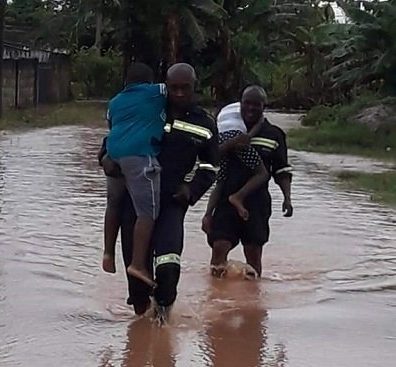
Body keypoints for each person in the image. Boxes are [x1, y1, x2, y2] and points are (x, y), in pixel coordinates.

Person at [99, 63, 219, 321]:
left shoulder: (205, 123)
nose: (178, 93)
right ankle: (140, 331)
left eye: (184, 88)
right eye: (173, 88)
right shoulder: (148, 108)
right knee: (136, 277)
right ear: (164, 87)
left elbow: (211, 166)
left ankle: (164, 322)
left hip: (173, 203)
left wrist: (192, 189)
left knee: (168, 264)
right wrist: (105, 159)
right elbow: (116, 138)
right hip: (136, 203)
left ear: (194, 87)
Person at [203, 85, 293, 277]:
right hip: (225, 200)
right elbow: (212, 159)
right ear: (240, 103)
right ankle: (216, 299)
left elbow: (281, 170)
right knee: (219, 247)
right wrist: (208, 213)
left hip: (257, 202)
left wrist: (287, 198)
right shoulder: (227, 129)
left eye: (256, 104)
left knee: (253, 254)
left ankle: (253, 301)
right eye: (247, 103)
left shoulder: (274, 134)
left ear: (264, 106)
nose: (251, 108)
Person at [102, 62, 167, 288]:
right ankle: (138, 263)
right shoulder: (156, 92)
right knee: (148, 211)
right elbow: (176, 88)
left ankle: (108, 254)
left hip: (113, 154)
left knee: (114, 205)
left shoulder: (115, 101)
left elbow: (111, 124)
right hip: (140, 155)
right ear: (148, 81)